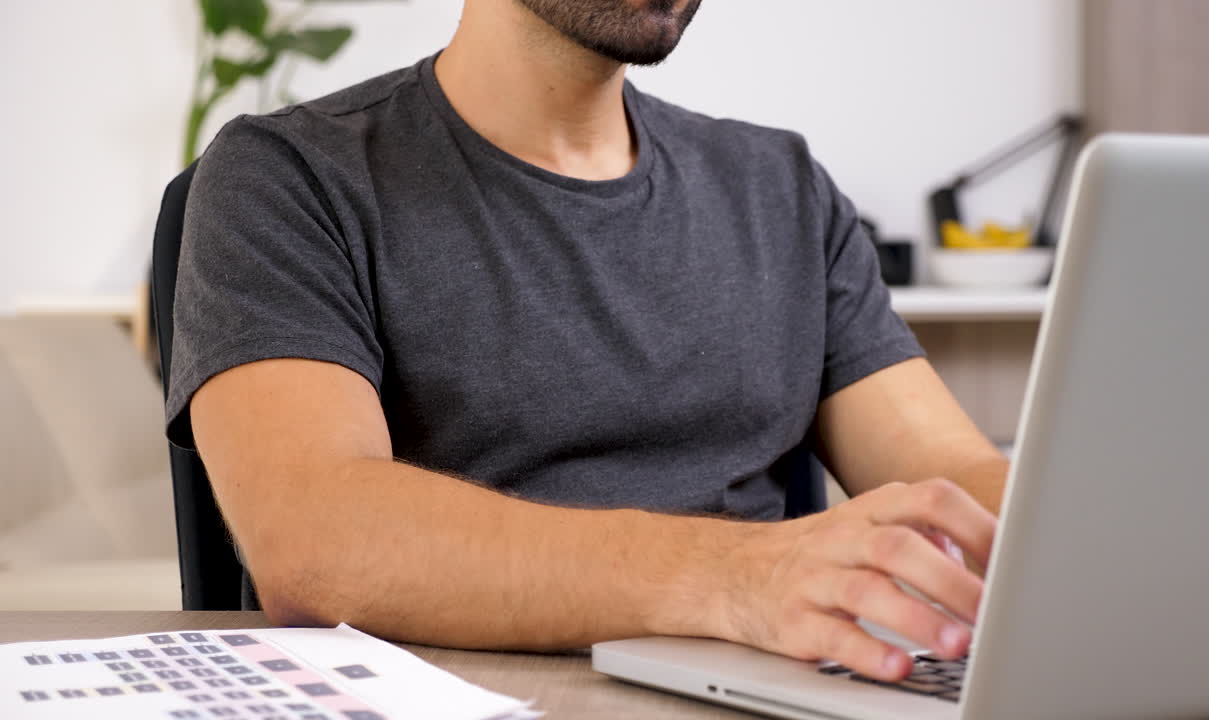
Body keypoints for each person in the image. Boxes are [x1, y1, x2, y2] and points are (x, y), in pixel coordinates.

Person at [167, 0, 1009, 683]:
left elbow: (952, 479)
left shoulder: (781, 190)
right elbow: (316, 539)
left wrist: (1068, 540)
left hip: (766, 693)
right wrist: (738, 576)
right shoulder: (288, 176)